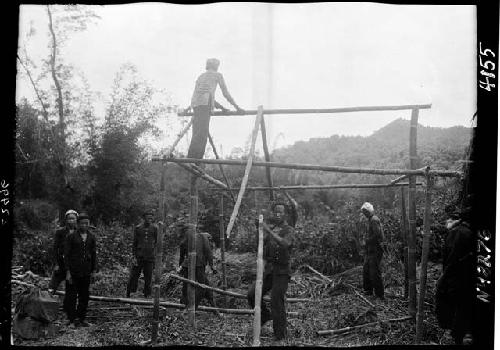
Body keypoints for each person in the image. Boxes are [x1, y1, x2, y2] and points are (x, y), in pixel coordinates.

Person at [248, 202, 295, 341]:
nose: (278, 214)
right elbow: (260, 243)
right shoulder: (271, 227)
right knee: (252, 295)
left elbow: (285, 244)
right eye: (276, 212)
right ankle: (265, 316)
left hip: (282, 271)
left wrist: (267, 230)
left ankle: (280, 335)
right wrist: (259, 229)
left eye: (281, 212)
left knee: (276, 300)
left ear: (285, 214)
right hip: (269, 270)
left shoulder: (289, 229)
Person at [187, 58, 244, 159]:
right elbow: (225, 93)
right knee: (202, 134)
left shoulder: (201, 76)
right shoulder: (217, 75)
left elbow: (200, 95)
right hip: (204, 104)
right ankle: (195, 161)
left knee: (197, 132)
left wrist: (222, 108)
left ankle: (191, 158)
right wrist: (237, 107)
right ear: (216, 66)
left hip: (196, 105)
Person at [435, 208, 474, 345]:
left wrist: (444, 276)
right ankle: (459, 333)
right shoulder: (466, 232)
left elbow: (448, 258)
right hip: (464, 275)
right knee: (462, 304)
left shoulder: (456, 232)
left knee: (455, 302)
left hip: (455, 274)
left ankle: (455, 333)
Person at [63, 212, 97, 327]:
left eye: (86, 223)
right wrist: (68, 272)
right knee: (71, 296)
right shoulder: (71, 237)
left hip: (86, 271)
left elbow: (93, 254)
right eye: (82, 223)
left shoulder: (91, 237)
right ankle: (72, 320)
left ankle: (81, 319)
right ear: (78, 224)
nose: (84, 226)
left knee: (84, 296)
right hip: (73, 272)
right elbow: (66, 255)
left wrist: (93, 271)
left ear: (89, 224)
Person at [177, 224, 218, 310]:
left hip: (187, 266)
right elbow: (208, 252)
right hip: (198, 265)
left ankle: (183, 306)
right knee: (202, 288)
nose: (210, 242)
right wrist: (212, 266)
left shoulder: (185, 239)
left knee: (187, 286)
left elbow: (181, 257)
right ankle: (191, 307)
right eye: (209, 239)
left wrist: (180, 267)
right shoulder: (203, 238)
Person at [126, 210, 159, 298]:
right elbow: (134, 243)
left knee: (148, 277)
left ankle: (147, 295)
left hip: (150, 257)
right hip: (139, 256)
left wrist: (154, 253)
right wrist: (134, 256)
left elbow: (157, 243)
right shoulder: (138, 228)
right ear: (144, 218)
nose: (150, 218)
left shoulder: (155, 228)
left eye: (151, 217)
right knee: (134, 275)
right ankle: (131, 293)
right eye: (148, 217)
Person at [50, 209, 78, 294]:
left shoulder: (79, 232)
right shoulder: (60, 232)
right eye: (69, 218)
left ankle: (68, 306)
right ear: (66, 220)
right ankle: (48, 304)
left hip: (73, 265)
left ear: (76, 219)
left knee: (71, 288)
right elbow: (55, 248)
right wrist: (56, 264)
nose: (71, 220)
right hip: (61, 263)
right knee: (52, 287)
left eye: (73, 218)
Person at [360, 202, 385, 300]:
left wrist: (367, 241)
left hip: (375, 250)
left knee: (375, 272)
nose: (364, 213)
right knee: (366, 270)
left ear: (369, 211)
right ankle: (368, 290)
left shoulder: (374, 220)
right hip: (370, 250)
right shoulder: (370, 220)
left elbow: (377, 235)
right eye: (363, 212)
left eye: (365, 211)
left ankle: (380, 294)